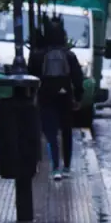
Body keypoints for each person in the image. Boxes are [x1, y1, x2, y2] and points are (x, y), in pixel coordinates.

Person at [29, 18, 84, 181]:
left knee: (51, 132)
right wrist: (78, 96)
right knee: (66, 131)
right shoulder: (69, 55)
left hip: (46, 96)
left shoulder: (38, 55)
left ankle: (55, 167)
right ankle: (67, 166)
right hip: (65, 95)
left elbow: (31, 76)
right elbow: (78, 78)